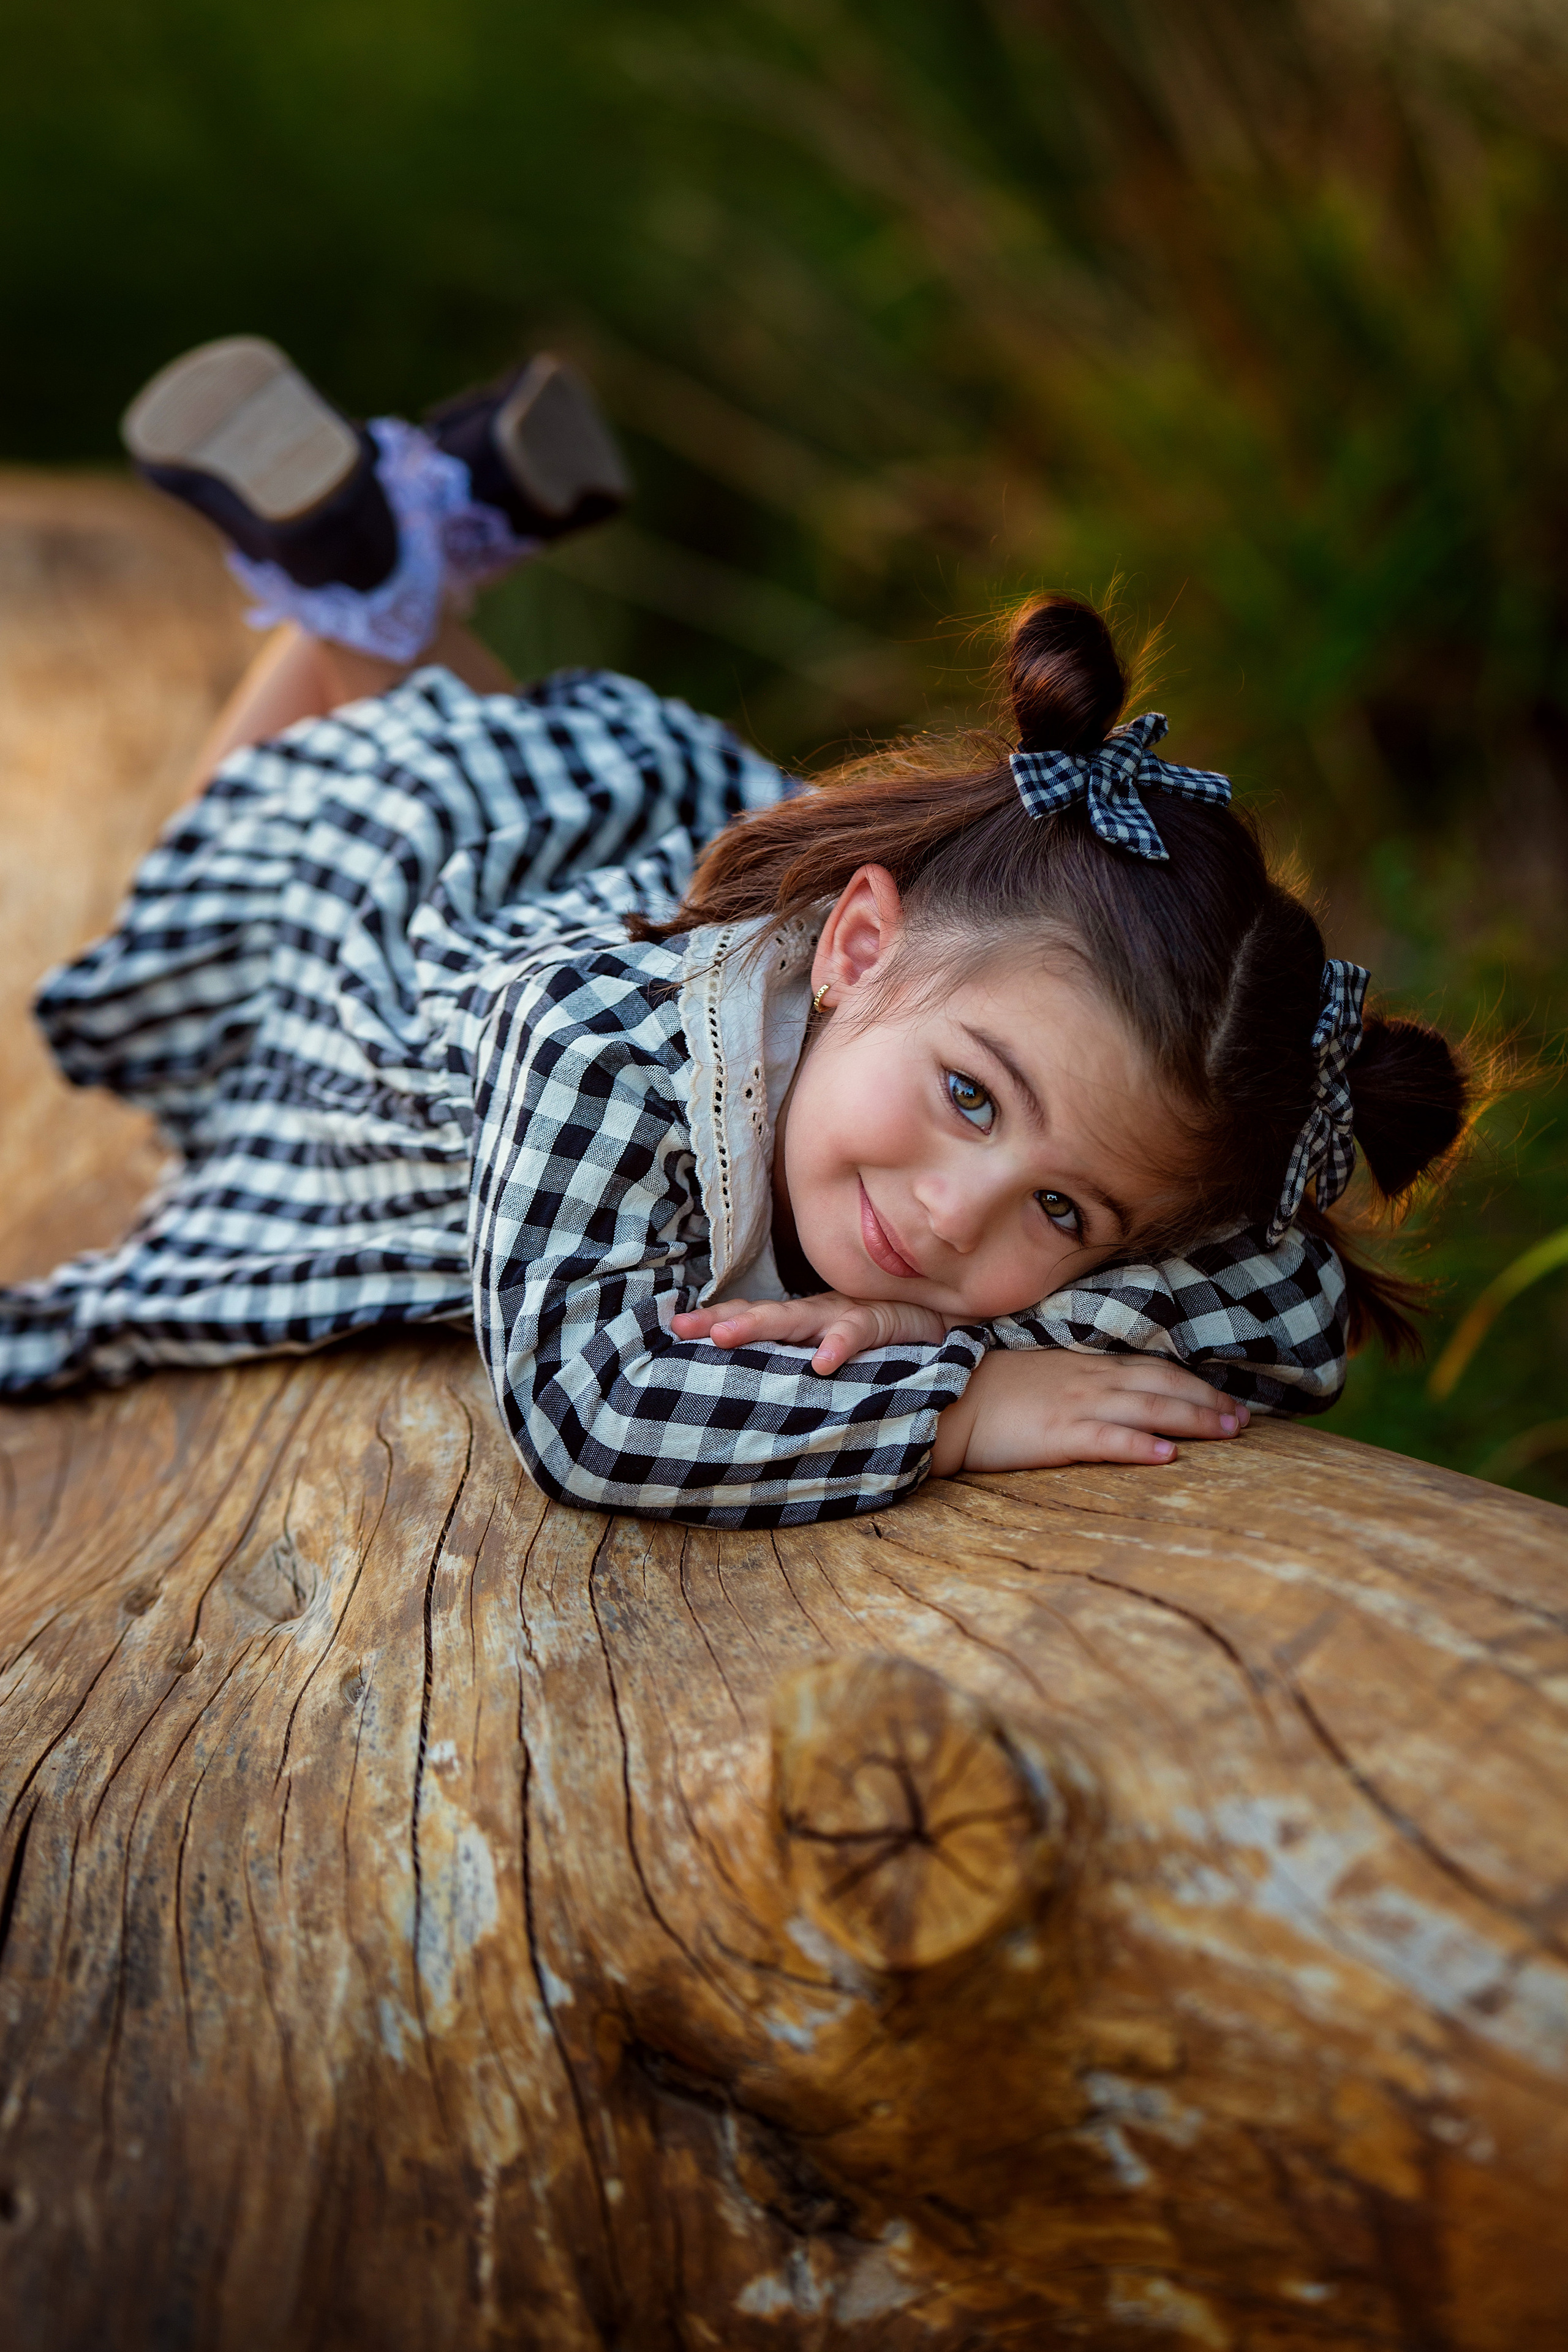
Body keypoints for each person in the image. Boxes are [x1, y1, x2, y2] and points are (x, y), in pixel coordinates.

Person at [0, 339, 1468, 1528]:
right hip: (406, 944)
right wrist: (953, 1408)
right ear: (854, 949)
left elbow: (1282, 1313)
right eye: (970, 1098)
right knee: (232, 864)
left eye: (1065, 1217)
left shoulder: (993, 1019)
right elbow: (588, 1411)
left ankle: (401, 556)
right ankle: (340, 598)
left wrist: (954, 1326)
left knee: (468, 741)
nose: (962, 1215)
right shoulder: (588, 1051)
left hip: (659, 859)